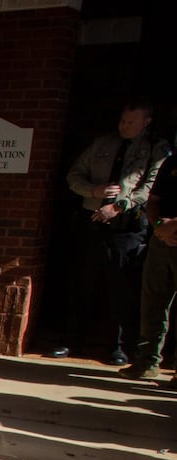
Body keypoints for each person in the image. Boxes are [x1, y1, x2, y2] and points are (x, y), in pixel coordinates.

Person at [61, 100, 169, 364]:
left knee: (120, 289)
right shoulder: (102, 143)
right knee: (83, 283)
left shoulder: (157, 148)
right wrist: (93, 191)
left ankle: (118, 346)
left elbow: (150, 188)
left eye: (131, 122)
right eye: (123, 120)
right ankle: (71, 340)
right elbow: (73, 175)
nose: (124, 126)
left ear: (147, 122)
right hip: (93, 220)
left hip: (127, 226)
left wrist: (119, 206)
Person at [123, 143, 177, 385]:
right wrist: (158, 227)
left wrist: (173, 225)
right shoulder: (172, 163)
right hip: (161, 242)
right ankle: (147, 361)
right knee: (153, 302)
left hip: (170, 231)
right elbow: (153, 200)